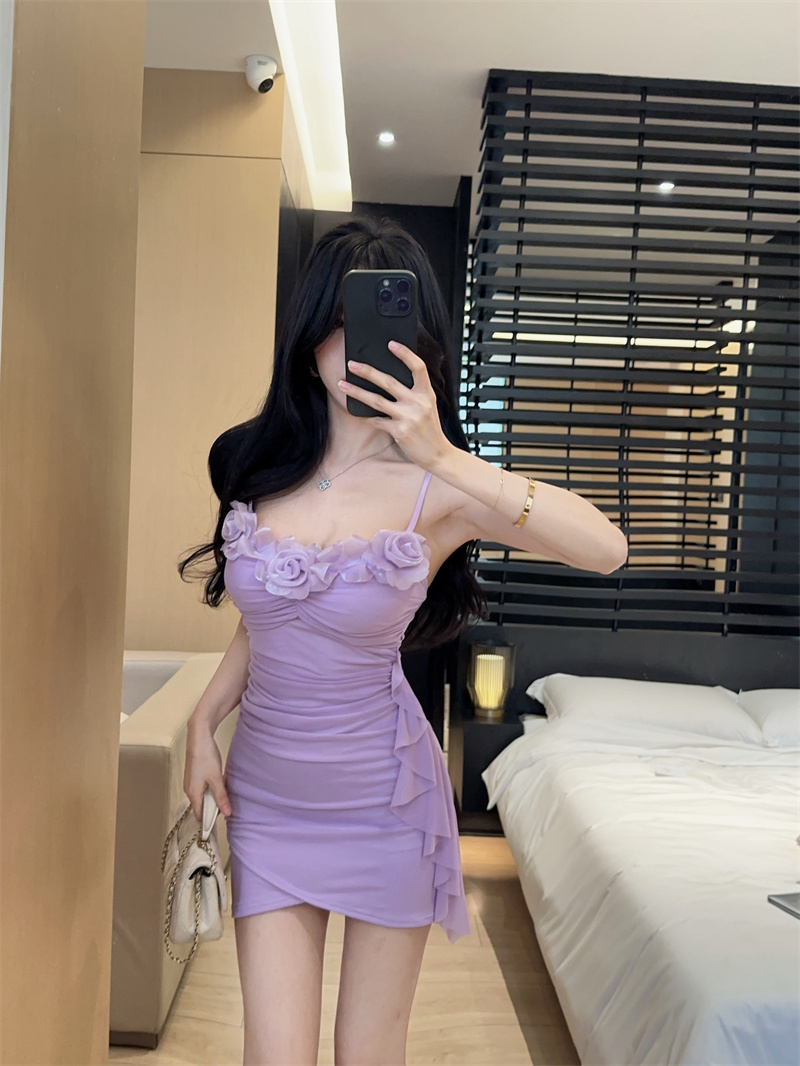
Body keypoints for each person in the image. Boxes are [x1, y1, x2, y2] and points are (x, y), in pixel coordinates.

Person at [177, 216, 628, 1066]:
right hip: (268, 799)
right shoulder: (254, 464)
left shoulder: (439, 492)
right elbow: (266, 621)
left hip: (386, 804)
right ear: (309, 333)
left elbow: (606, 549)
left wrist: (448, 456)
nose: (357, 349)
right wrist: (204, 721)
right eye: (340, 321)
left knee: (367, 1053)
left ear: (418, 344)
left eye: (382, 326)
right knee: (273, 1055)